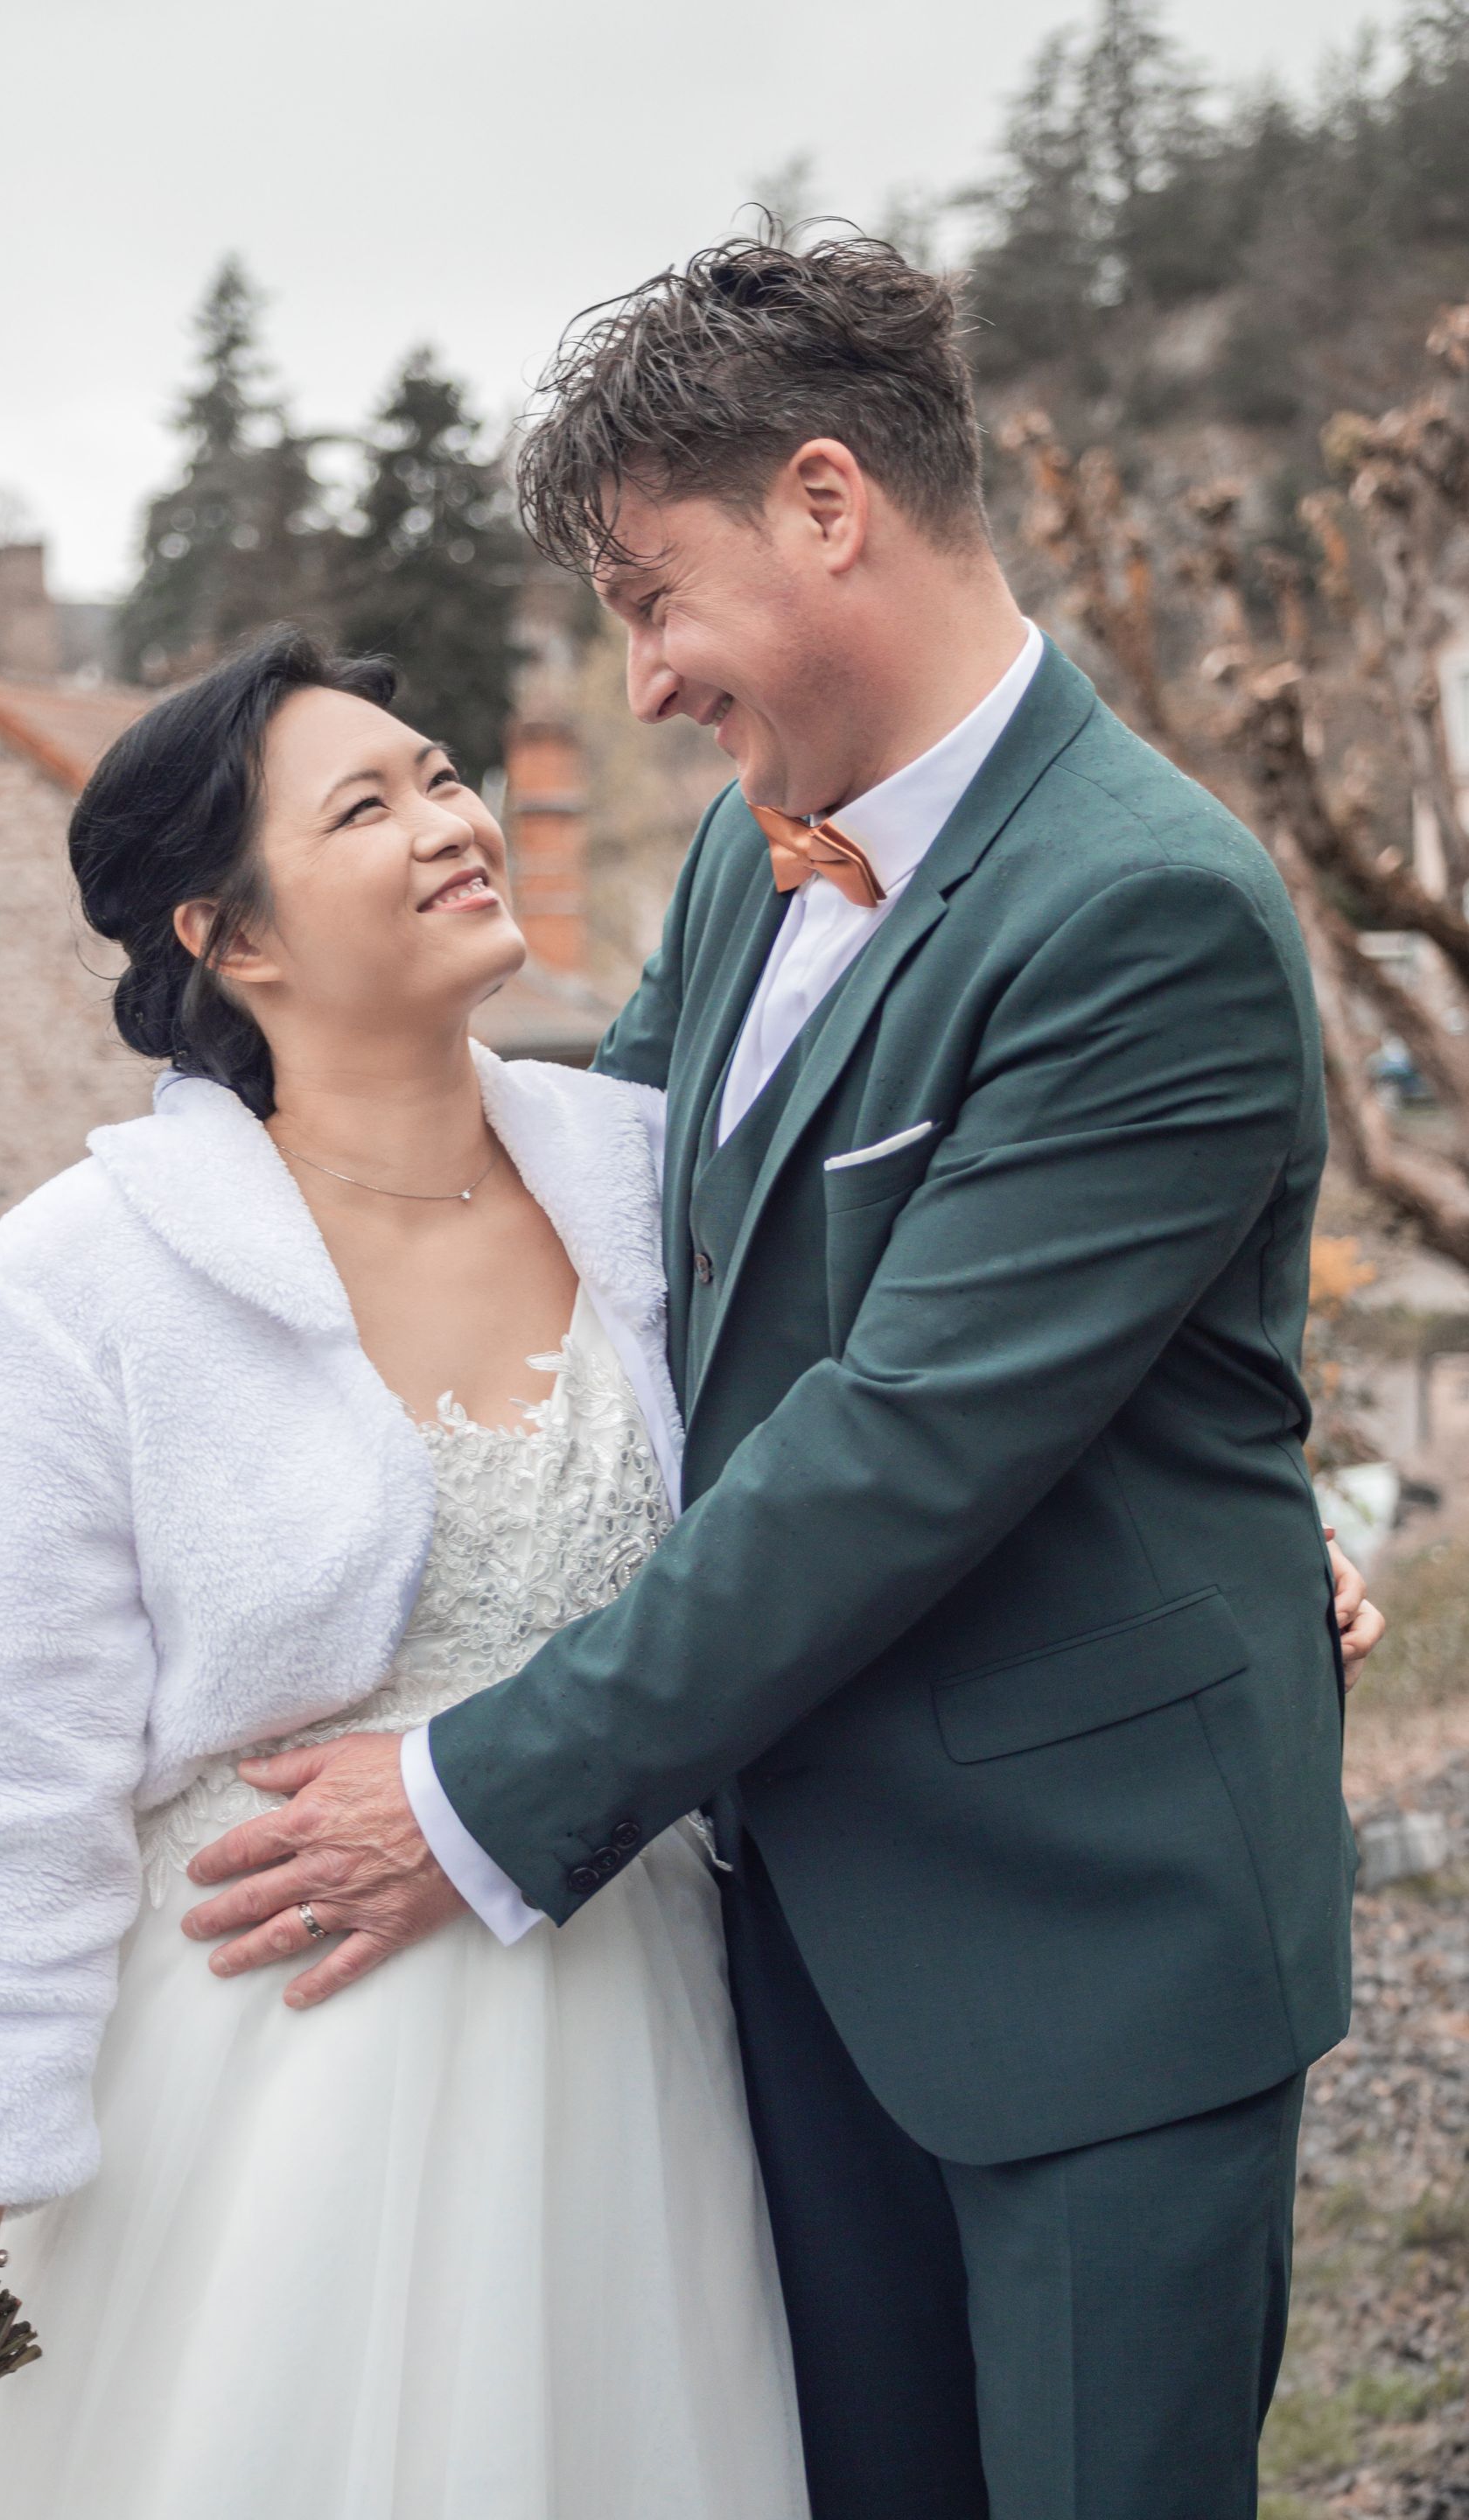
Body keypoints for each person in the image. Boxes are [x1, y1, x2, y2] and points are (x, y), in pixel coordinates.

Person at [178, 238, 1388, 2520]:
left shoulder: (1148, 908)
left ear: (828, 503)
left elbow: (899, 1447)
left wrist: (468, 1795)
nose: (639, 683)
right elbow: (598, 1264)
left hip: (1089, 1956)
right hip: (789, 1937)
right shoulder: (753, 867)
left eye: (654, 597)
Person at [0, 633, 810, 2520]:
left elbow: (865, 1484)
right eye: (370, 805)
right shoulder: (82, 1276)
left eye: (443, 774)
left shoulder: (649, 1182)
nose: (455, 820)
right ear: (233, 938)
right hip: (267, 2114)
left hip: (653, 2064)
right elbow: (6, 1785)